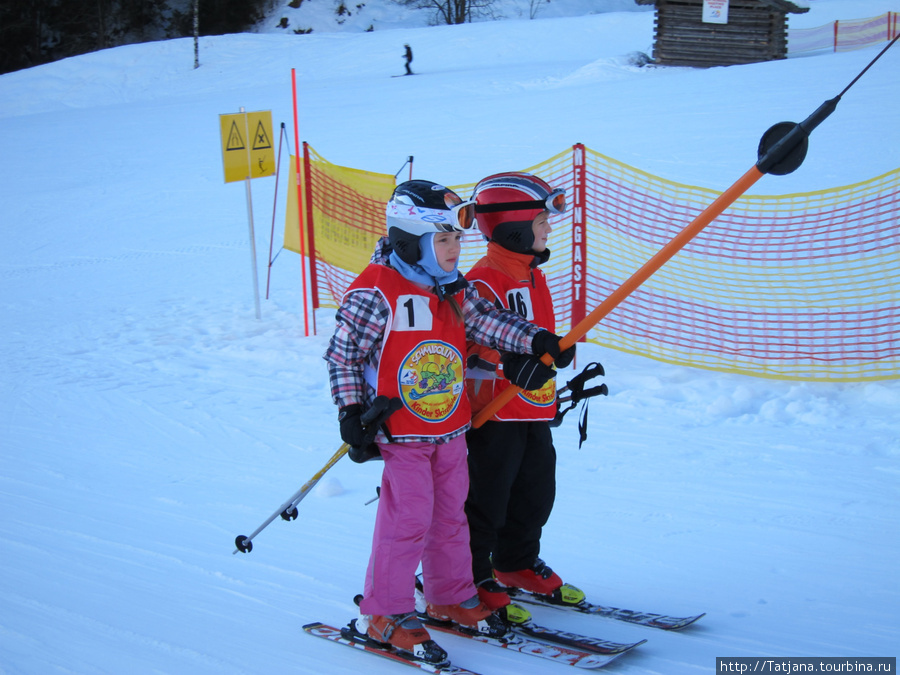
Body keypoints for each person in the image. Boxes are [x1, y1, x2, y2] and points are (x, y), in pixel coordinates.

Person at [324, 179, 572, 664]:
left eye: (457, 239)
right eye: (442, 239)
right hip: (403, 432)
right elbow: (342, 355)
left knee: (451, 514)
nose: (455, 249)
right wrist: (351, 411)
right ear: (407, 240)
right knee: (408, 517)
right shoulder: (377, 291)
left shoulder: (453, 289)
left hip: (451, 428)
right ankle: (386, 612)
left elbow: (489, 322)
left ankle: (449, 595)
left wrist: (537, 339)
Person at [463, 171, 585, 620]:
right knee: (486, 500)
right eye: (540, 222)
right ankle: (470, 575)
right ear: (513, 226)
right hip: (493, 414)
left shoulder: (532, 275)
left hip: (532, 407)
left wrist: (552, 356)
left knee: (536, 492)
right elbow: (463, 349)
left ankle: (514, 563)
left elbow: (533, 338)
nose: (548, 228)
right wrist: (506, 364)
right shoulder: (482, 279)